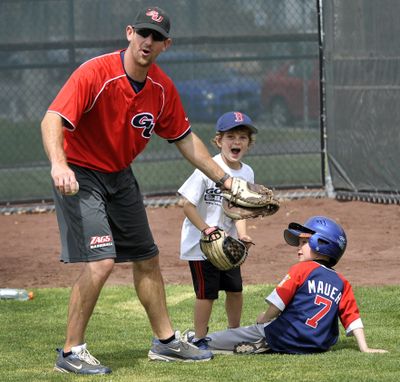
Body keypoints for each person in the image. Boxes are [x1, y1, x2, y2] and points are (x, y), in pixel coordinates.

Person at [40, 5, 240, 374]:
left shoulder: (161, 89)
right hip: (81, 174)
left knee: (147, 258)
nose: (149, 41)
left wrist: (226, 180)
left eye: (158, 37)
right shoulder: (96, 72)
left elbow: (184, 139)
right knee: (101, 262)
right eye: (144, 33)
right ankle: (70, 352)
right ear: (129, 33)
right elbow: (53, 118)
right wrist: (58, 163)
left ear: (167, 45)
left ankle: (165, 344)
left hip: (120, 176)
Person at [205, 216, 388, 355]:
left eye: (304, 243)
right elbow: (352, 318)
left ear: (322, 244)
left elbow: (277, 303)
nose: (298, 248)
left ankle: (199, 341)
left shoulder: (302, 269)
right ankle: (264, 343)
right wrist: (364, 348)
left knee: (229, 337)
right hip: (319, 344)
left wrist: (263, 319)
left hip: (285, 336)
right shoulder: (342, 282)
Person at [178, 111, 257, 349]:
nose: (236, 142)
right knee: (207, 294)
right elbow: (186, 205)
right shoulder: (208, 167)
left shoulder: (247, 172)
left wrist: (242, 234)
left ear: (249, 144)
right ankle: (200, 339)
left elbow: (239, 209)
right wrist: (206, 229)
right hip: (202, 246)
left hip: (229, 245)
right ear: (218, 141)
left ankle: (234, 333)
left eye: (243, 137)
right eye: (230, 136)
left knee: (235, 289)